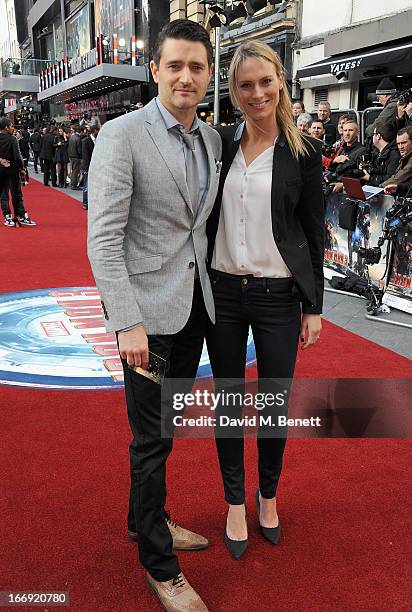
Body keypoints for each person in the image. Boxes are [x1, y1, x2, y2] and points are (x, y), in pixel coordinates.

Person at [88, 19, 222, 612]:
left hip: (193, 309)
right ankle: (158, 564)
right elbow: (104, 238)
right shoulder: (121, 135)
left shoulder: (214, 139)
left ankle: (147, 520)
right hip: (145, 318)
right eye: (175, 66)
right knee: (151, 441)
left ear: (208, 74)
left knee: (162, 434)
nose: (185, 77)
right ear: (155, 70)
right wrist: (125, 320)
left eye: (196, 67)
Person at [206, 40, 323, 560]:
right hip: (224, 293)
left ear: (281, 81)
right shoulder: (219, 146)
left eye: (265, 81)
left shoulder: (304, 154)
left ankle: (267, 494)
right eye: (245, 85)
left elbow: (312, 229)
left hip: (278, 297)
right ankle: (235, 500)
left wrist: (313, 305)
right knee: (229, 402)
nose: (257, 93)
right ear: (233, 91)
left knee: (274, 404)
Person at [0, 118, 36, 227]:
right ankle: (21, 214)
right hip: (12, 169)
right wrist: (21, 168)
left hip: (1, 170)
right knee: (17, 194)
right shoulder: (12, 139)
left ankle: (7, 216)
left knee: (4, 194)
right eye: (11, 126)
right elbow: (17, 156)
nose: (13, 128)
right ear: (6, 127)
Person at [327, 120, 366, 193]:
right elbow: (331, 169)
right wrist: (334, 160)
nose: (347, 133)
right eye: (345, 130)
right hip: (335, 188)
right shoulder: (342, 149)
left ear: (357, 133)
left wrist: (343, 185)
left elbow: (361, 175)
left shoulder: (362, 150)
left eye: (350, 130)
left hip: (351, 192)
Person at [362, 121, 400, 187]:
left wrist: (369, 178)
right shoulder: (376, 153)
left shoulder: (394, 155)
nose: (372, 137)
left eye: (373, 134)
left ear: (378, 136)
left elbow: (390, 180)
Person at [81, 125, 99, 210]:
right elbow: (85, 156)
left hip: (97, 166)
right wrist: (87, 169)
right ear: (95, 131)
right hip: (88, 167)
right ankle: (85, 203)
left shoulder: (99, 140)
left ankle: (93, 202)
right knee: (87, 186)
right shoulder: (85, 141)